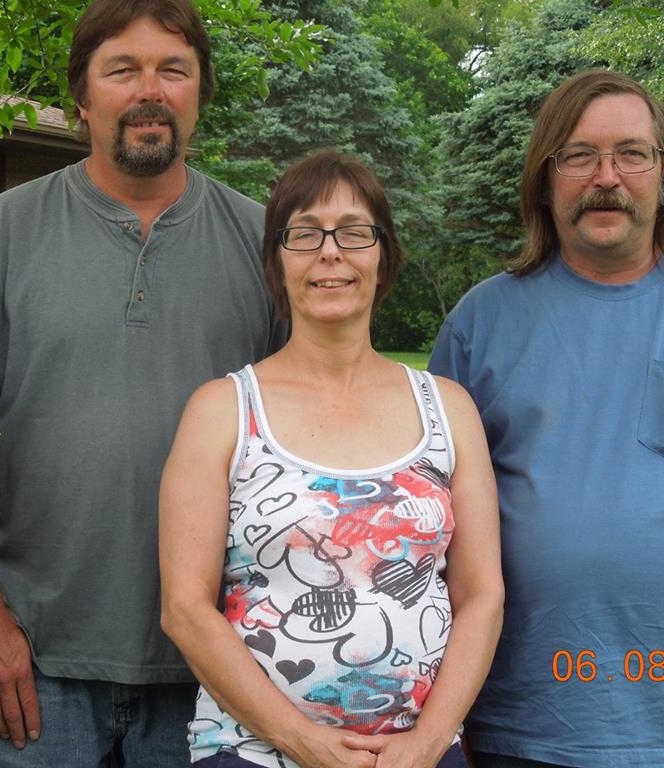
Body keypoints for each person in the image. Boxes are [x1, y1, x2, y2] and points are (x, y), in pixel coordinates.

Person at [0, 0, 286, 767]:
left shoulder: (265, 244)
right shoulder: (1, 237)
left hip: (216, 662)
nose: (149, 92)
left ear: (200, 91)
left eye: (173, 68)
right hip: (35, 663)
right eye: (121, 68)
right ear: (81, 97)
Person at [160, 150, 503, 768]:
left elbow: (481, 596)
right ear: (277, 261)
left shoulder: (449, 411)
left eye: (353, 232)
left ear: (383, 255)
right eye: (304, 233)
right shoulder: (221, 411)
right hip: (253, 752)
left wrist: (426, 745)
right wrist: (305, 742)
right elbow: (185, 609)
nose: (330, 251)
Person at [429, 70, 664, 768]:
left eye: (632, 153)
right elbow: (425, 519)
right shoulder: (481, 321)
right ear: (545, 176)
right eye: (579, 155)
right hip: (524, 720)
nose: (606, 176)